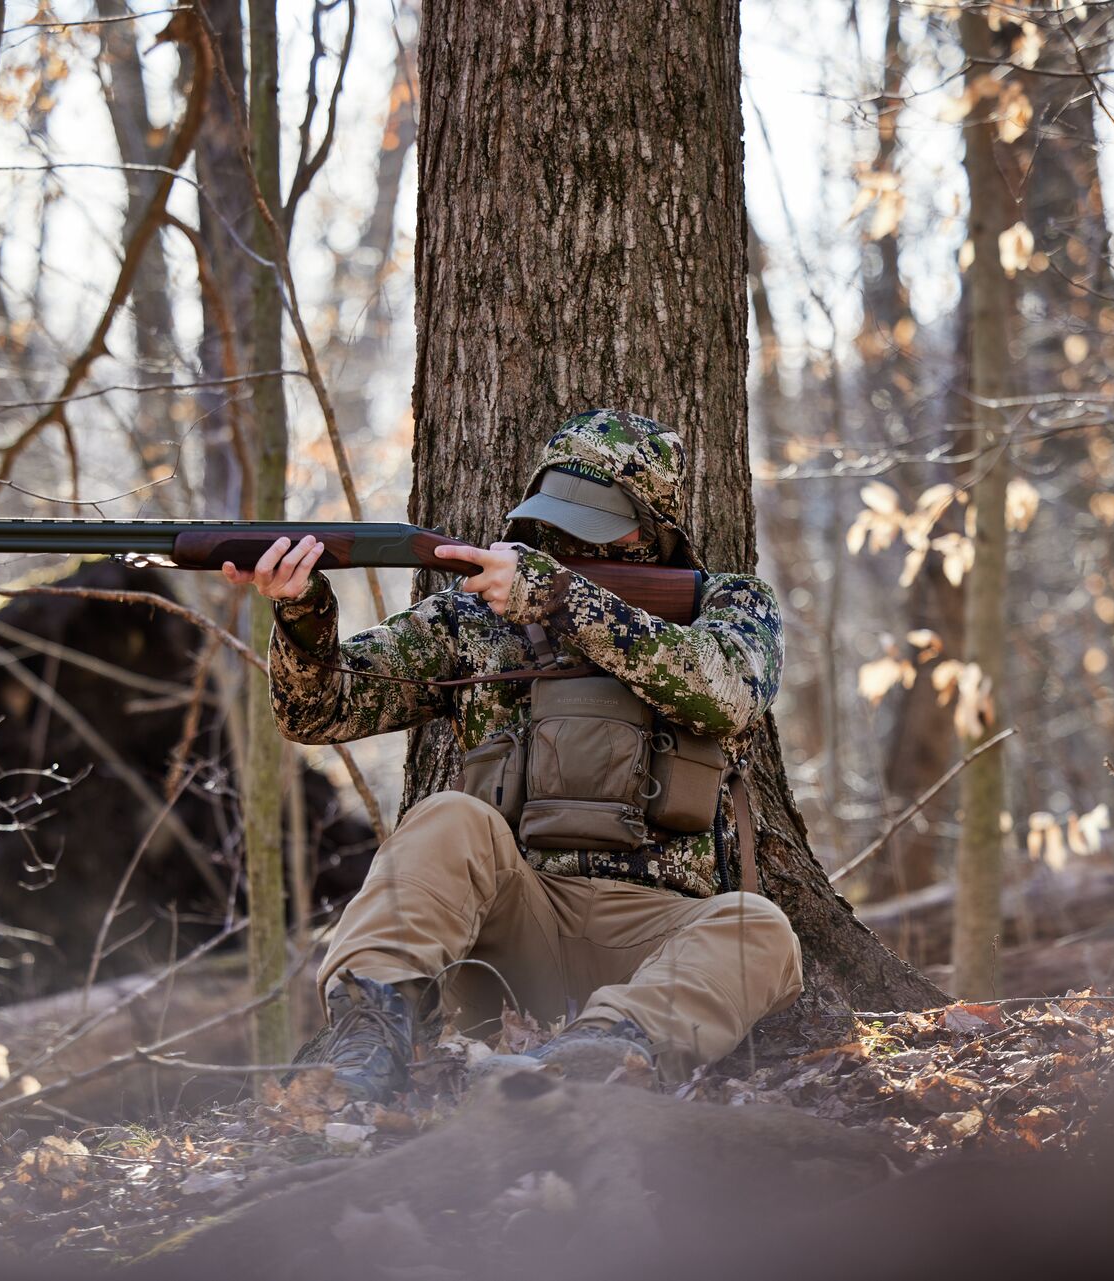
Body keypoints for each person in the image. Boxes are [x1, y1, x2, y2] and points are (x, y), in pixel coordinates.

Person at [221, 409, 802, 1098]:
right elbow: (319, 710)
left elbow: (727, 691)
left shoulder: (727, 605)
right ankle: (364, 1038)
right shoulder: (478, 618)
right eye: (556, 515)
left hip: (662, 941)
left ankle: (610, 1050)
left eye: (594, 519)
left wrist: (563, 600)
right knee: (447, 818)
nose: (563, 537)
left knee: (760, 929)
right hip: (512, 937)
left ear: (652, 528)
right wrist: (301, 614)